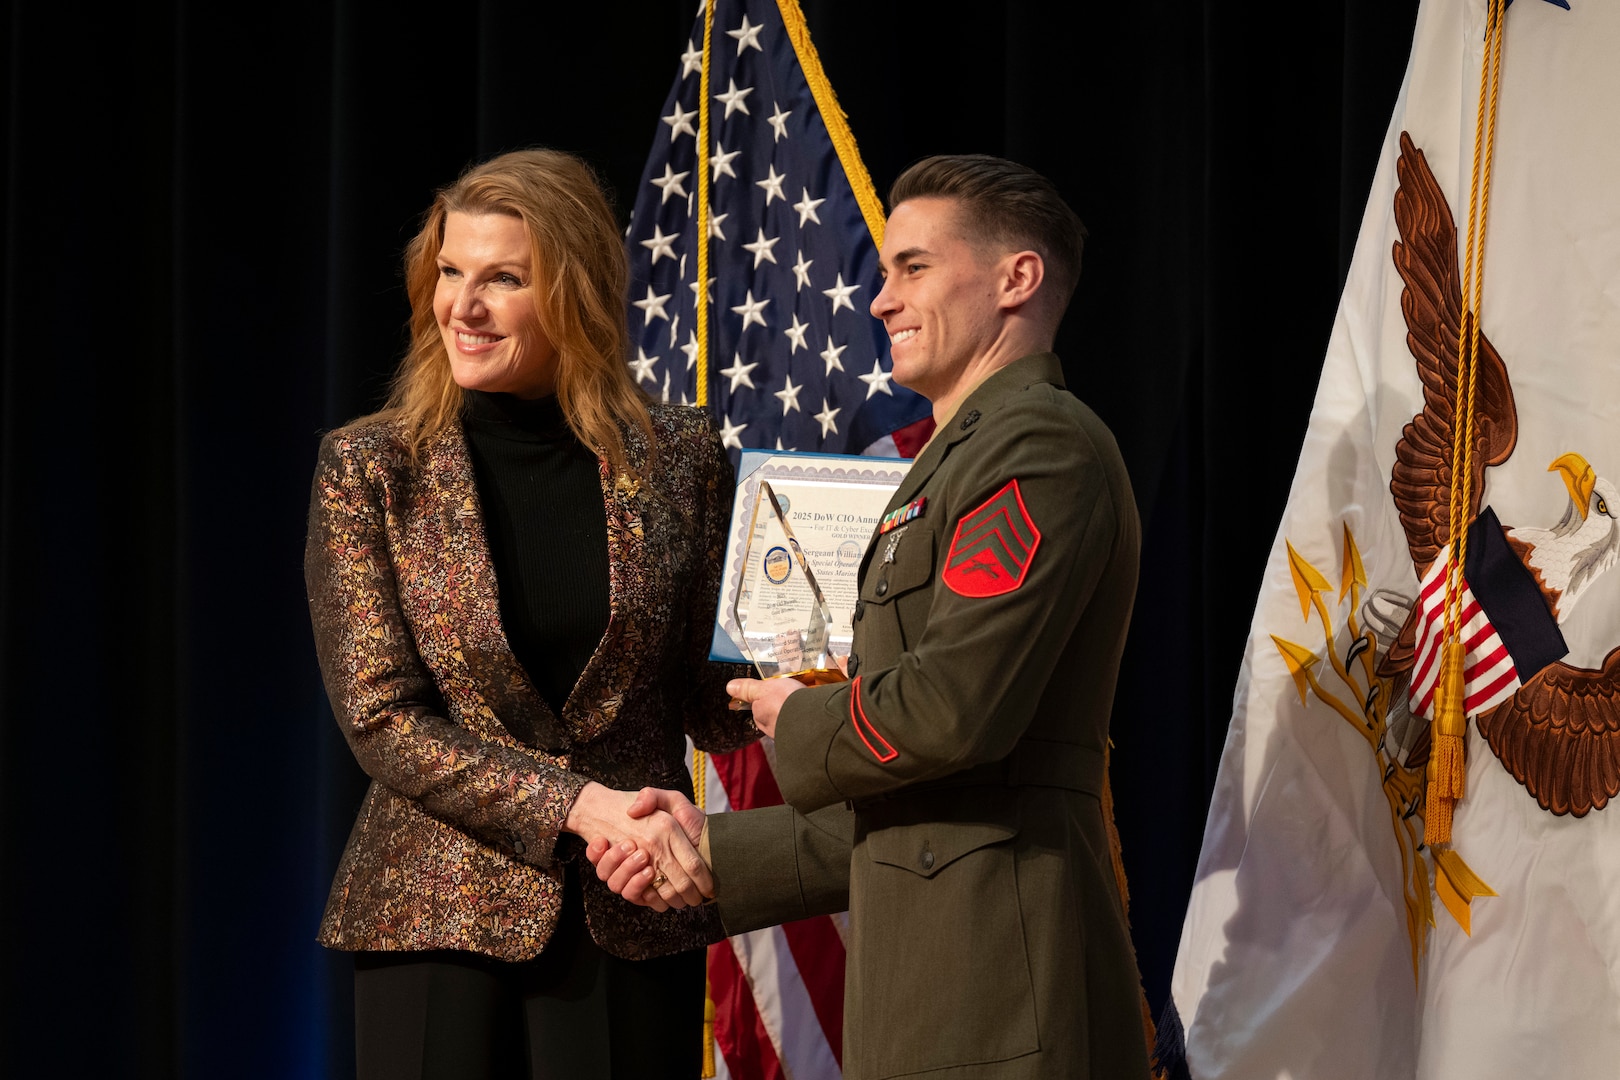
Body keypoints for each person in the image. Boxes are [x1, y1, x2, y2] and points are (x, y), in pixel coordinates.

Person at [591, 154, 1154, 1079]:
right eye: (886, 271)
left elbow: (947, 715)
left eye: (913, 268)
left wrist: (794, 715)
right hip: (934, 984)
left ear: (1017, 278)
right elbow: (913, 806)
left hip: (999, 983)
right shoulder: (957, 459)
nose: (880, 301)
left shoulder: (1036, 445)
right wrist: (710, 852)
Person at [304, 148, 750, 1080]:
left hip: (631, 908)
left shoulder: (683, 456)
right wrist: (578, 807)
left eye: (503, 279)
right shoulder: (371, 467)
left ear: (577, 294)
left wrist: (816, 660)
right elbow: (383, 717)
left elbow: (704, 686)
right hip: (432, 910)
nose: (463, 307)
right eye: (450, 273)